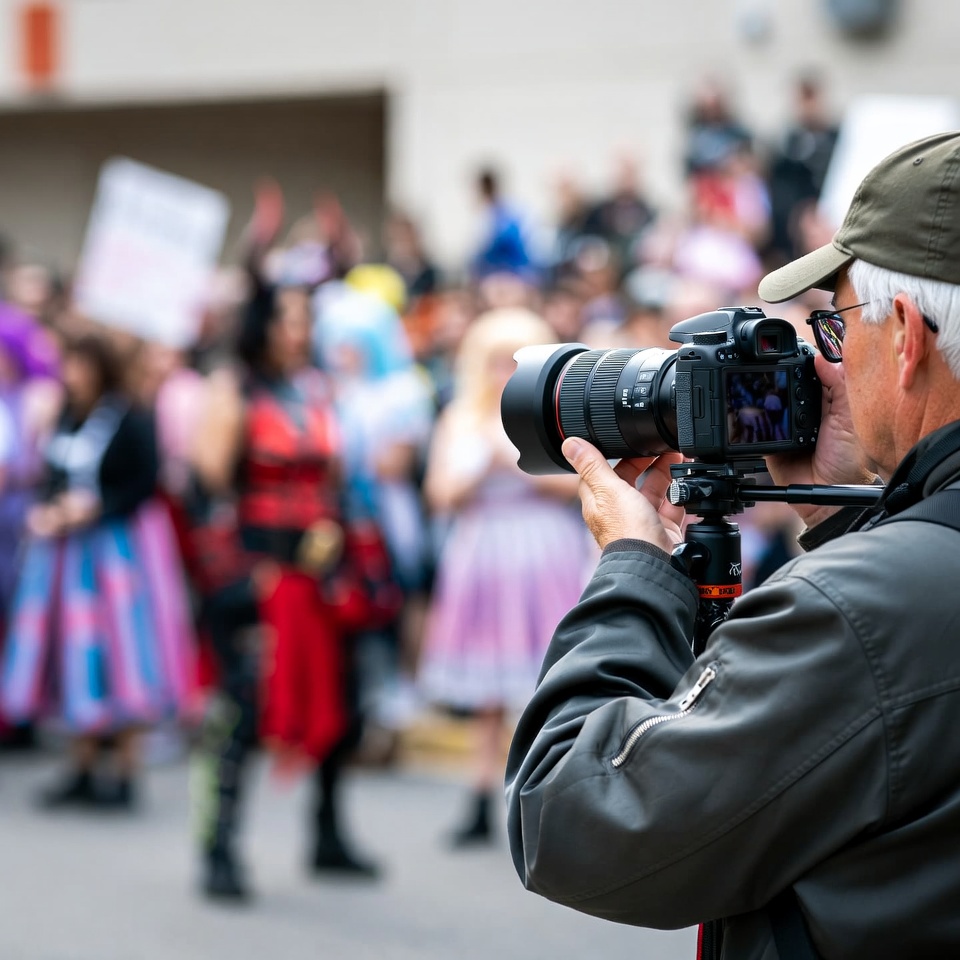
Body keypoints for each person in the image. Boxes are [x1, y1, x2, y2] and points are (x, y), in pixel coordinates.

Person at [505, 130, 960, 958]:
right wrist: (843, 513)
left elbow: (569, 817)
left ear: (906, 338)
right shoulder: (892, 592)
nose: (830, 358)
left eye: (838, 323)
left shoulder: (858, 617)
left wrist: (633, 569)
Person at [189, 272, 380, 902]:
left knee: (340, 701)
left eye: (305, 318)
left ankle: (327, 834)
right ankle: (219, 848)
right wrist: (240, 576)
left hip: (320, 571)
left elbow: (338, 477)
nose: (300, 329)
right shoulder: (233, 389)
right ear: (261, 323)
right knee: (243, 710)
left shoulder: (317, 388)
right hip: (259, 576)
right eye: (287, 317)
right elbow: (208, 489)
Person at [1, 333, 195, 807]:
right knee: (75, 653)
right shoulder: (66, 416)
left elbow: (145, 483)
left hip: (117, 559)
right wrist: (49, 510)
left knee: (124, 655)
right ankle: (82, 764)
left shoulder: (130, 418)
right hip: (66, 558)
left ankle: (125, 770)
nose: (75, 376)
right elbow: (51, 477)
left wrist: (95, 509)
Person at [419, 308, 586, 847]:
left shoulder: (551, 418)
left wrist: (516, 465)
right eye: (495, 361)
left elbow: (579, 486)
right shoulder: (459, 418)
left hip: (542, 550)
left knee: (548, 679)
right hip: (484, 552)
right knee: (488, 685)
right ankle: (480, 794)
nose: (502, 373)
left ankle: (549, 798)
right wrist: (478, 470)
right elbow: (438, 495)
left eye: (514, 362)